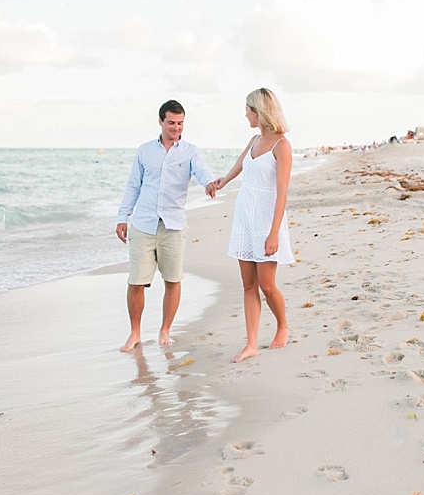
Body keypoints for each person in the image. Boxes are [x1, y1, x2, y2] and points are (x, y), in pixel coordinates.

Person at [115, 100, 218, 352]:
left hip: (173, 225)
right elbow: (133, 186)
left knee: (172, 279)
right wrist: (122, 216)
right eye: (171, 122)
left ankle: (165, 330)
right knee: (136, 282)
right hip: (143, 224)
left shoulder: (191, 152)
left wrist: (209, 183)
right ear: (160, 121)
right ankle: (135, 333)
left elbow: (203, 172)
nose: (176, 128)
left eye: (180, 123)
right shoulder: (144, 151)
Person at [214, 88, 294, 363]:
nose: (245, 114)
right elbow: (239, 166)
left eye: (247, 109)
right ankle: (251, 344)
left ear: (258, 111)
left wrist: (274, 233)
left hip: (266, 222)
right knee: (248, 283)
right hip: (244, 220)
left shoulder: (281, 146)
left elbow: (282, 192)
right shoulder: (253, 141)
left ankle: (282, 326)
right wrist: (221, 182)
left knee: (267, 285)